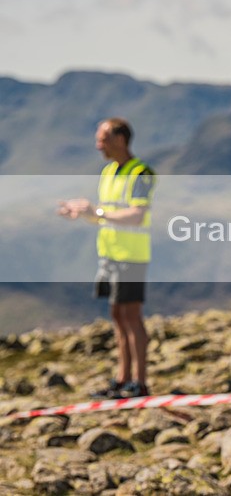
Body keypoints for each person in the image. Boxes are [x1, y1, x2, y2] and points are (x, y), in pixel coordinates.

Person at [58, 117, 155, 399]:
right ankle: (123, 379)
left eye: (103, 139)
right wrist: (84, 213)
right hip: (110, 254)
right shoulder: (108, 172)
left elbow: (137, 215)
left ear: (120, 139)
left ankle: (140, 382)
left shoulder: (141, 173)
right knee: (117, 316)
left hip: (131, 256)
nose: (98, 145)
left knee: (132, 317)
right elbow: (106, 215)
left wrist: (96, 213)